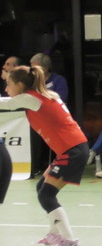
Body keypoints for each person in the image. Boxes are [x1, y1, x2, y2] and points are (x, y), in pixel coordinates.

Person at [0, 65, 88, 245]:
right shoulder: (44, 95)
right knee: (43, 188)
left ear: (20, 84)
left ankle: (68, 239)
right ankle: (56, 233)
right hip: (72, 148)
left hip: (73, 150)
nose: (6, 89)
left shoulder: (32, 99)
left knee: (46, 194)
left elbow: (6, 103)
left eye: (8, 84)